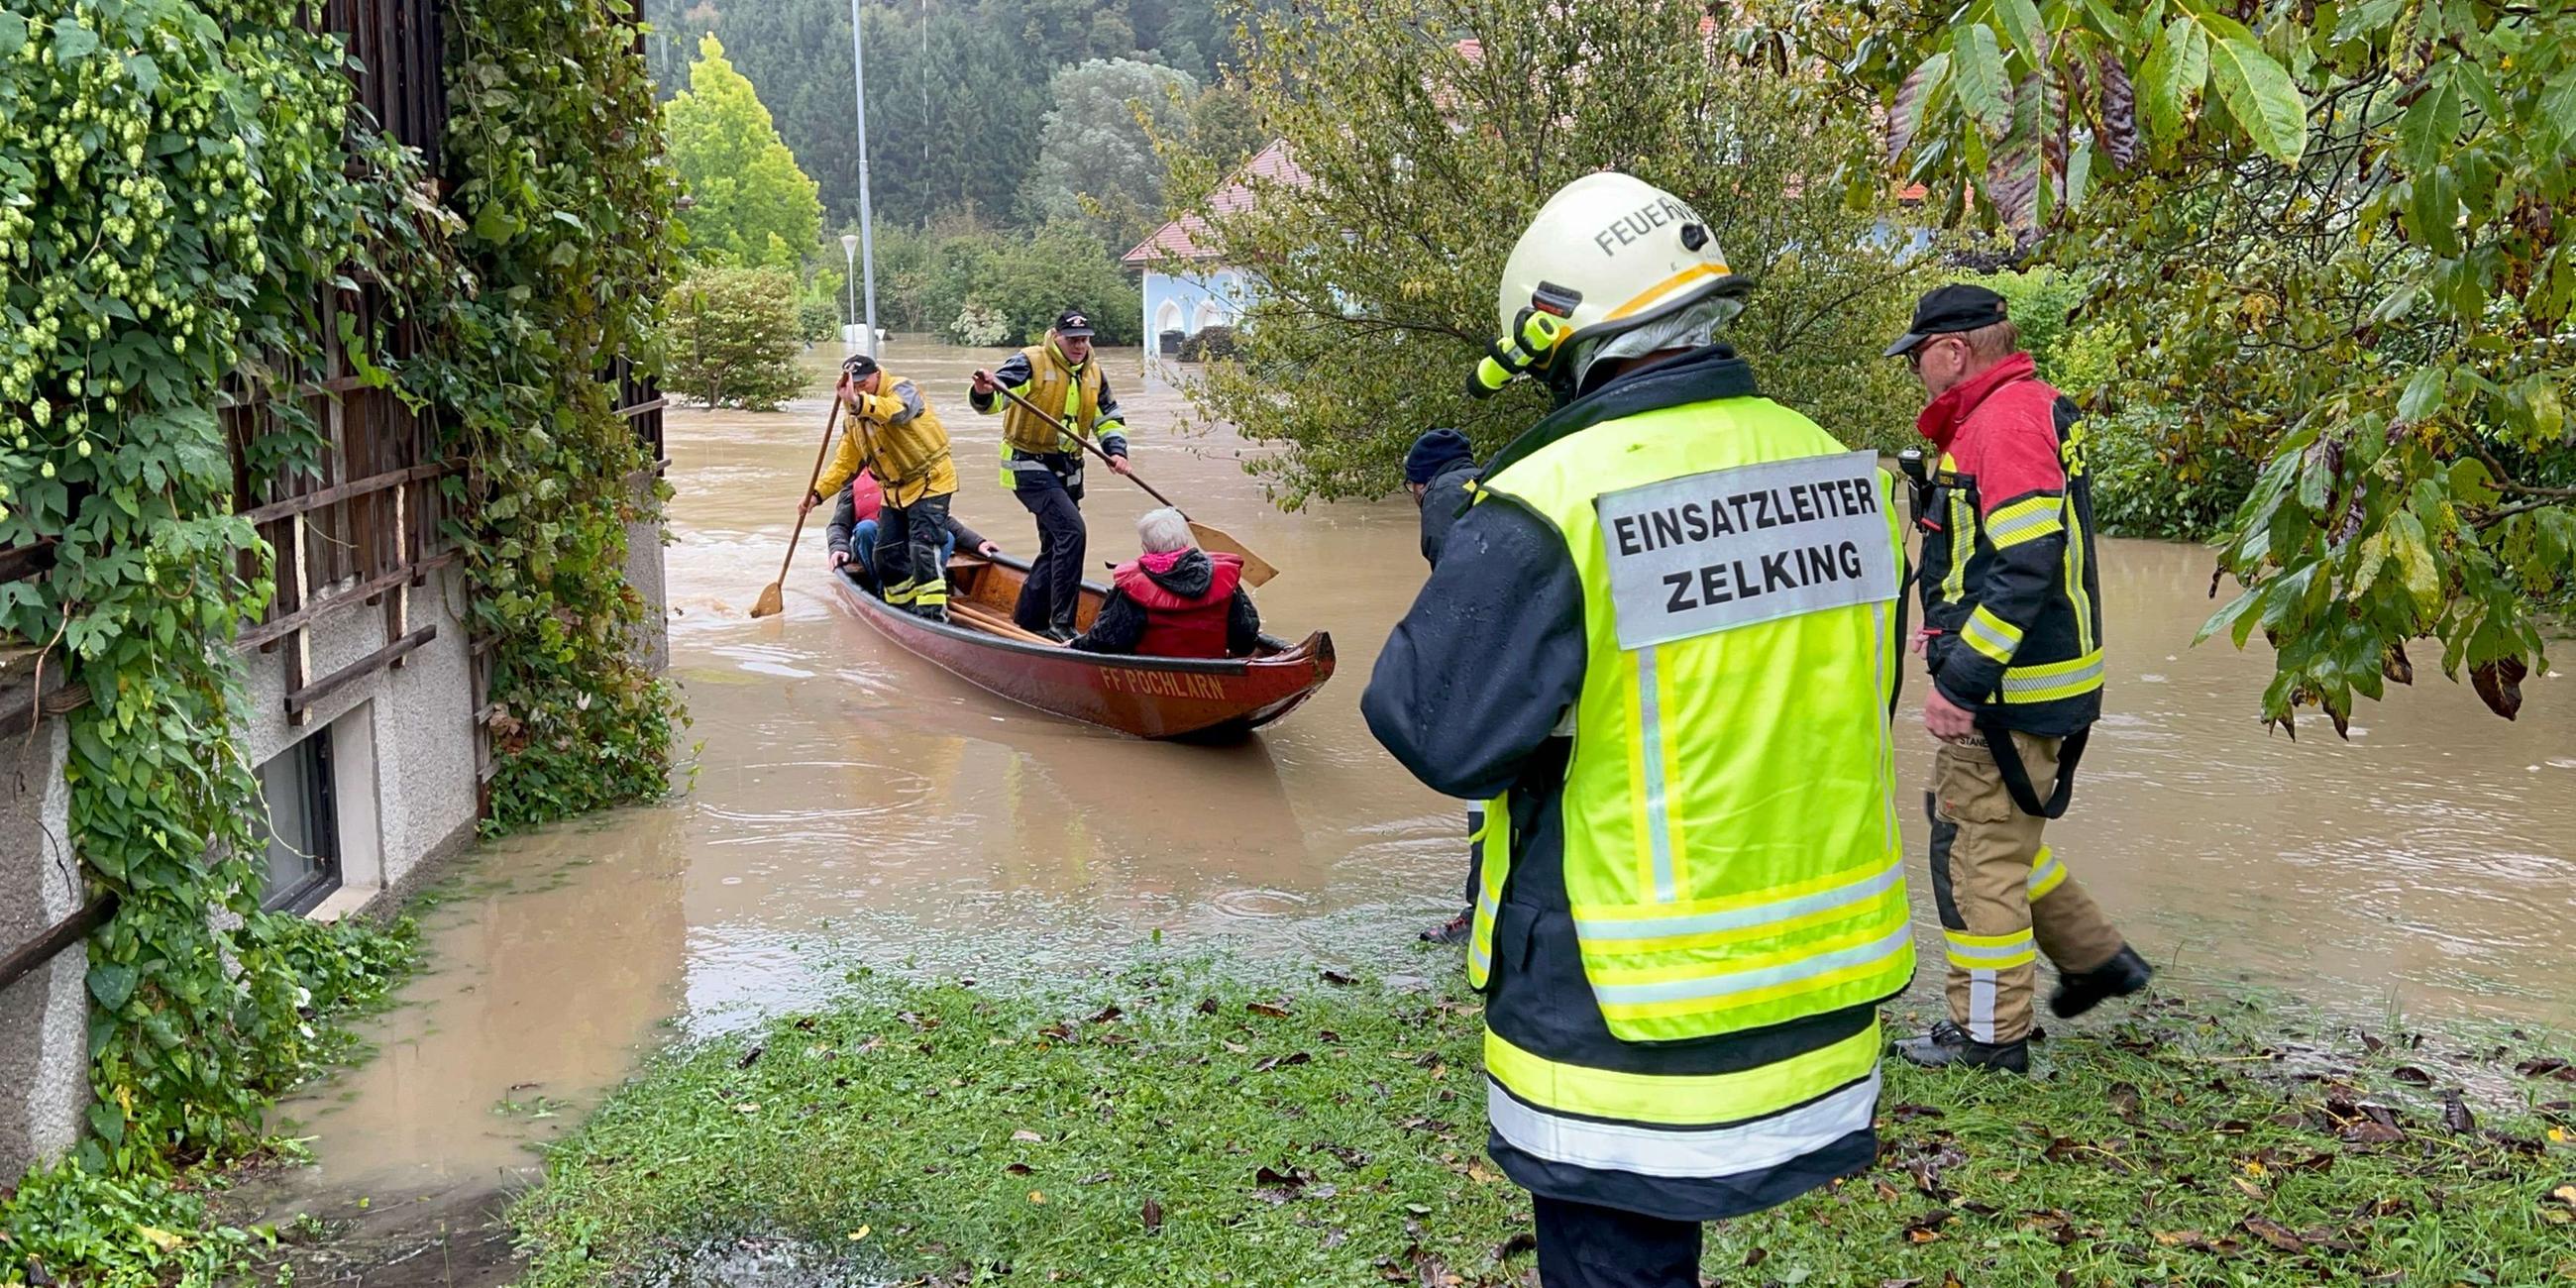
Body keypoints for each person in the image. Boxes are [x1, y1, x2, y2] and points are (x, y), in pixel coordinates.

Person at [1362, 171, 1916, 1288]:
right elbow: (1779, 689)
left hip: (1625, 1032)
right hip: (1811, 998)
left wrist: (1470, 546)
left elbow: (1435, 729)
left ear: (1560, 340)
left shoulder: (1549, 500)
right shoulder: (1836, 467)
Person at [1883, 283, 2152, 1073]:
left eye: (1920, 359)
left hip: (2008, 689)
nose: (1917, 377)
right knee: (2002, 838)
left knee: (1973, 855)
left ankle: (1988, 1037)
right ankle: (2099, 959)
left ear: (1955, 350)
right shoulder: (2028, 407)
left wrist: (1960, 682)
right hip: (2045, 683)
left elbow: (2023, 567)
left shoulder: (2001, 422)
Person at [969, 308, 1131, 641]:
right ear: (1056, 336)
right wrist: (984, 392)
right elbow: (996, 398)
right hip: (1027, 464)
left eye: (1084, 339)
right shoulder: (1030, 362)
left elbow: (1108, 418)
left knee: (1056, 542)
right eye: (1072, 339)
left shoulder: (1094, 373)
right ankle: (1062, 624)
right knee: (1073, 532)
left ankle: (1028, 616)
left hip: (1068, 469)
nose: (1079, 345)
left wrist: (1116, 451)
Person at [1402, 428, 1483, 946]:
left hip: (1491, 664)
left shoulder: (1440, 503)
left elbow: (1454, 595)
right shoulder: (1495, 482)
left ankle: (1478, 917)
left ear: (1418, 483)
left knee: (1482, 792)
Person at [804, 354, 957, 621]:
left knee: (923, 549)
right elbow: (844, 463)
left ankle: (933, 617)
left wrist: (857, 401)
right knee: (886, 554)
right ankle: (902, 609)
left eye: (864, 382)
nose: (861, 387)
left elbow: (895, 412)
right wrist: (817, 494)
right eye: (856, 384)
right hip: (894, 491)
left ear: (876, 375)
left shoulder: (902, 389)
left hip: (929, 481)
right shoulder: (852, 418)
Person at [1069, 508, 1259, 659]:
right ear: (1184, 541)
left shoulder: (1133, 585)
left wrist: (1074, 645)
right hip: (1212, 663)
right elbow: (1245, 637)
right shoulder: (1225, 579)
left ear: (1146, 546)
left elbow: (1107, 641)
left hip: (1148, 670)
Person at [825, 469, 1001, 592]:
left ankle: (927, 588)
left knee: (946, 536)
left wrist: (977, 542)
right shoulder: (855, 480)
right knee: (866, 529)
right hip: (872, 546)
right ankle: (882, 590)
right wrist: (838, 547)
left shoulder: (912, 476)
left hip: (907, 542)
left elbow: (939, 518)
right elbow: (838, 525)